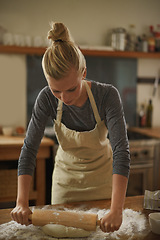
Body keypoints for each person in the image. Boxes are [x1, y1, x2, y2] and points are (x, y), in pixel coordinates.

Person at [11, 22, 130, 233]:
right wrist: (21, 201)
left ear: (83, 73)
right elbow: (29, 149)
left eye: (71, 89)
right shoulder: (45, 99)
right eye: (56, 91)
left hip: (102, 181)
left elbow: (121, 152)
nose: (64, 98)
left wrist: (117, 209)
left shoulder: (107, 96)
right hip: (66, 183)